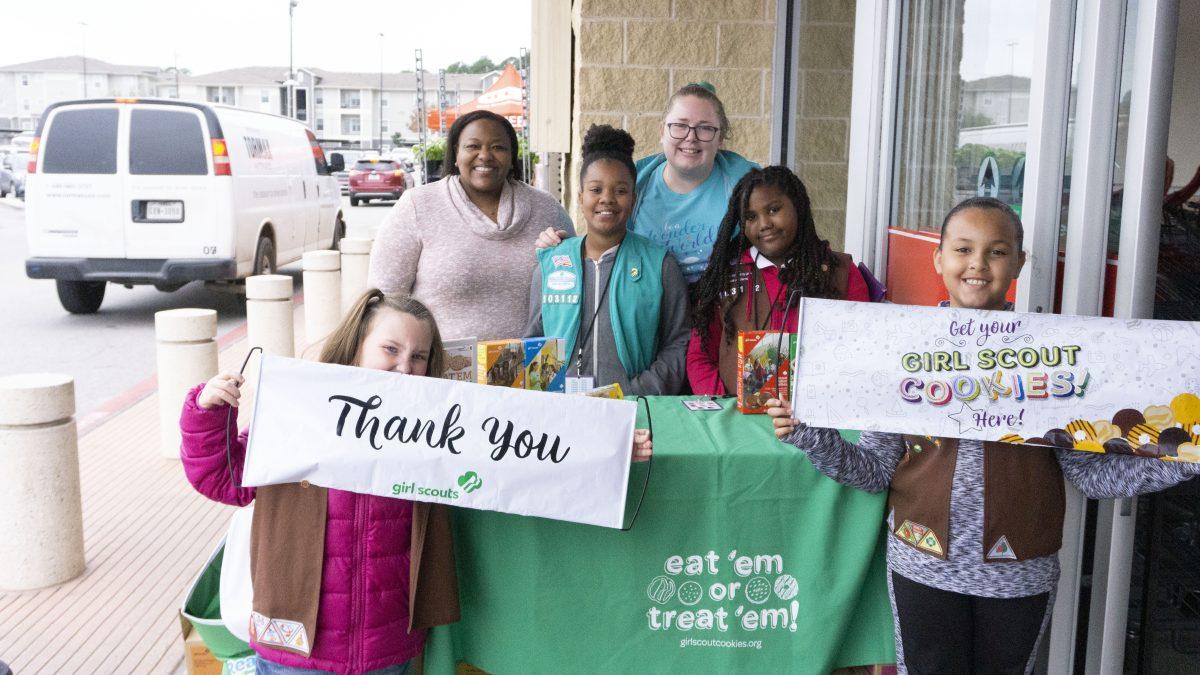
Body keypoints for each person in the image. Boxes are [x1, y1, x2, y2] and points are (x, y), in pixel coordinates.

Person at [766, 197, 1200, 674]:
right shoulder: (903, 349)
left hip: (1020, 572)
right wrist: (808, 435)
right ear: (939, 258)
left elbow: (1093, 477)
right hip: (922, 564)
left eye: (996, 251)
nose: (977, 264)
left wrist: (1183, 455)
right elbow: (873, 472)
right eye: (963, 249)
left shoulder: (1054, 357)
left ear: (1018, 261)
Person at [180, 292, 459, 673]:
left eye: (418, 356)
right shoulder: (301, 409)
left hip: (385, 645)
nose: (405, 367)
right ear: (357, 346)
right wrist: (207, 412)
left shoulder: (431, 431)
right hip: (294, 645)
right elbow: (224, 480)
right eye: (390, 349)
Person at [369, 110, 574, 341]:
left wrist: (567, 253)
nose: (485, 156)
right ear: (456, 154)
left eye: (498, 147)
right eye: (472, 146)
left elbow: (574, 292)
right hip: (438, 371)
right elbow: (385, 300)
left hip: (533, 371)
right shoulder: (417, 206)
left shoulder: (547, 209)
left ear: (511, 156)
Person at [535, 83, 757, 284]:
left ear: (721, 138)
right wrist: (567, 249)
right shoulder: (634, 185)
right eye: (680, 125)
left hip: (723, 315)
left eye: (705, 128)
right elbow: (602, 241)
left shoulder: (747, 186)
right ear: (662, 131)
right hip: (650, 313)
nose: (691, 137)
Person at [526, 125, 690, 395]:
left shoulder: (660, 265)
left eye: (620, 191)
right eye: (596, 189)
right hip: (564, 412)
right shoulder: (552, 263)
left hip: (633, 410)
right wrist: (549, 401)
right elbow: (535, 337)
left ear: (634, 198)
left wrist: (638, 391)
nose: (607, 199)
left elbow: (678, 343)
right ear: (580, 197)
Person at [688, 166, 871, 396]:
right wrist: (723, 408)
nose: (764, 224)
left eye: (773, 209)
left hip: (817, 417)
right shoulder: (727, 276)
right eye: (751, 217)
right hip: (737, 420)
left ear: (798, 207)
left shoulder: (840, 273)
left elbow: (862, 349)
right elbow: (700, 356)